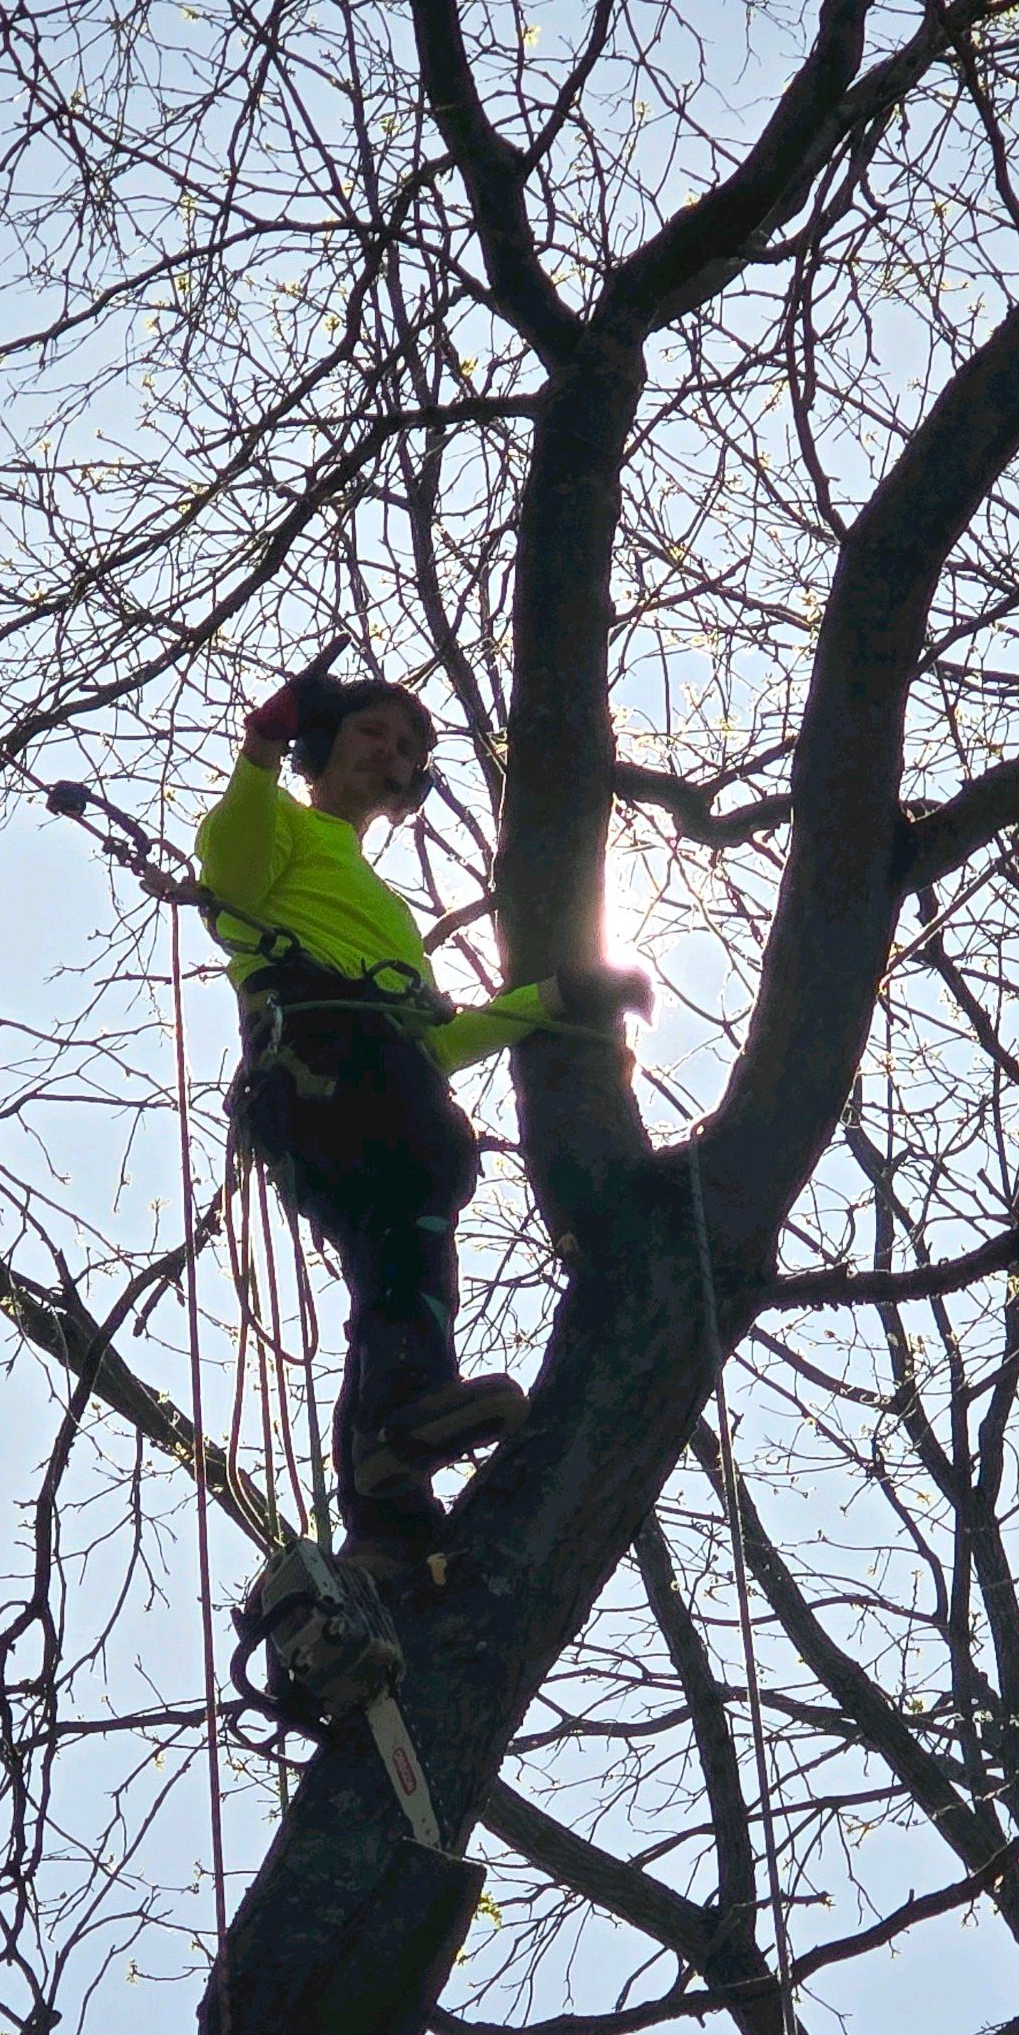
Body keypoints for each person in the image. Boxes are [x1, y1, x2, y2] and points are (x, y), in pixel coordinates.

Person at [196, 647, 649, 1580]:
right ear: (324, 745)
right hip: (325, 1063)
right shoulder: (278, 820)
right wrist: (261, 748)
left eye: (404, 745)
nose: (389, 754)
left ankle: (387, 1517)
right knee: (422, 1172)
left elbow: (435, 1041)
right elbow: (231, 884)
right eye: (371, 731)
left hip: (376, 1074)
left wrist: (562, 996)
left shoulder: (389, 915)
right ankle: (404, 1416)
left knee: (400, 1248)